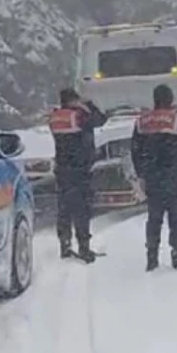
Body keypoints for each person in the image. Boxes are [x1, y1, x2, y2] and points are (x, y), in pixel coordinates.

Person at [131, 84, 177, 271]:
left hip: (153, 176)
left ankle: (152, 259)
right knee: (176, 219)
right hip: (174, 175)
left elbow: (135, 149)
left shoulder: (143, 121)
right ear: (170, 99)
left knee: (154, 218)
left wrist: (141, 173)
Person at [48, 88, 107, 262]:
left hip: (62, 168)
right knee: (82, 209)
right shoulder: (79, 116)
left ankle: (65, 246)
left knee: (64, 208)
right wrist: (89, 106)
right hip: (80, 169)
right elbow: (100, 120)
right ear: (73, 100)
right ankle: (84, 248)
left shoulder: (55, 117)